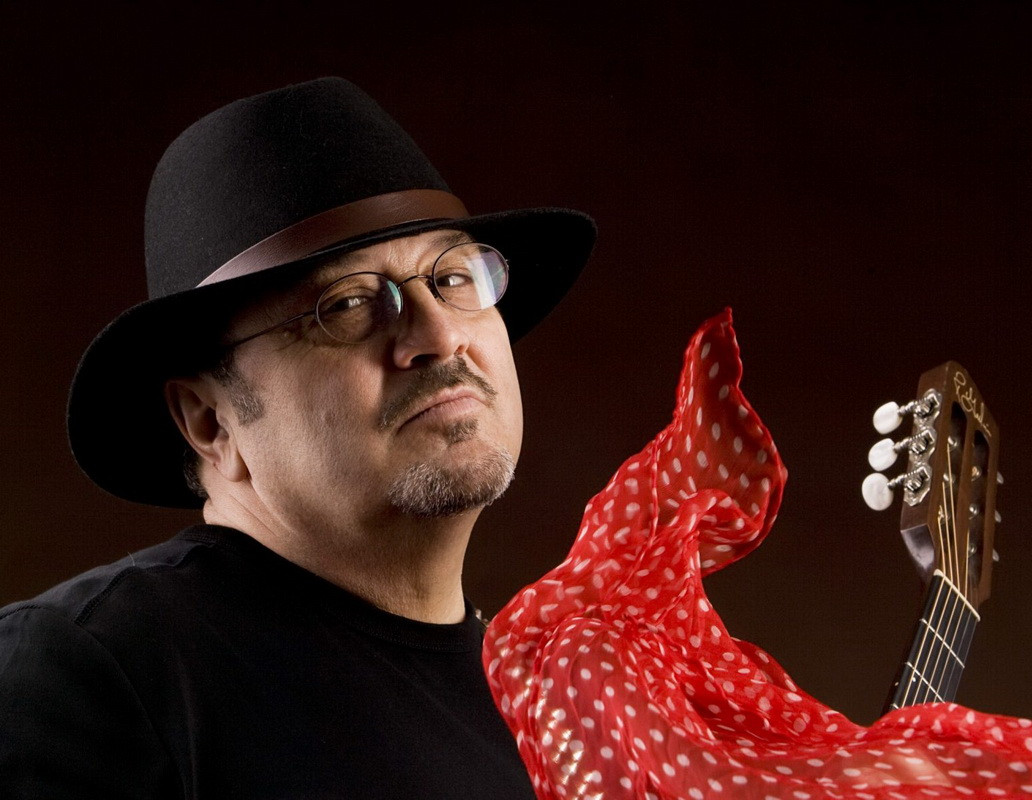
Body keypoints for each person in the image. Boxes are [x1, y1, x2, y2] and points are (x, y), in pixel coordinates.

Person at [0, 77, 594, 798]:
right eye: (346, 304)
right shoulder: (92, 671)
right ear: (209, 420)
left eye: (454, 279)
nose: (440, 337)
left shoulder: (547, 712)